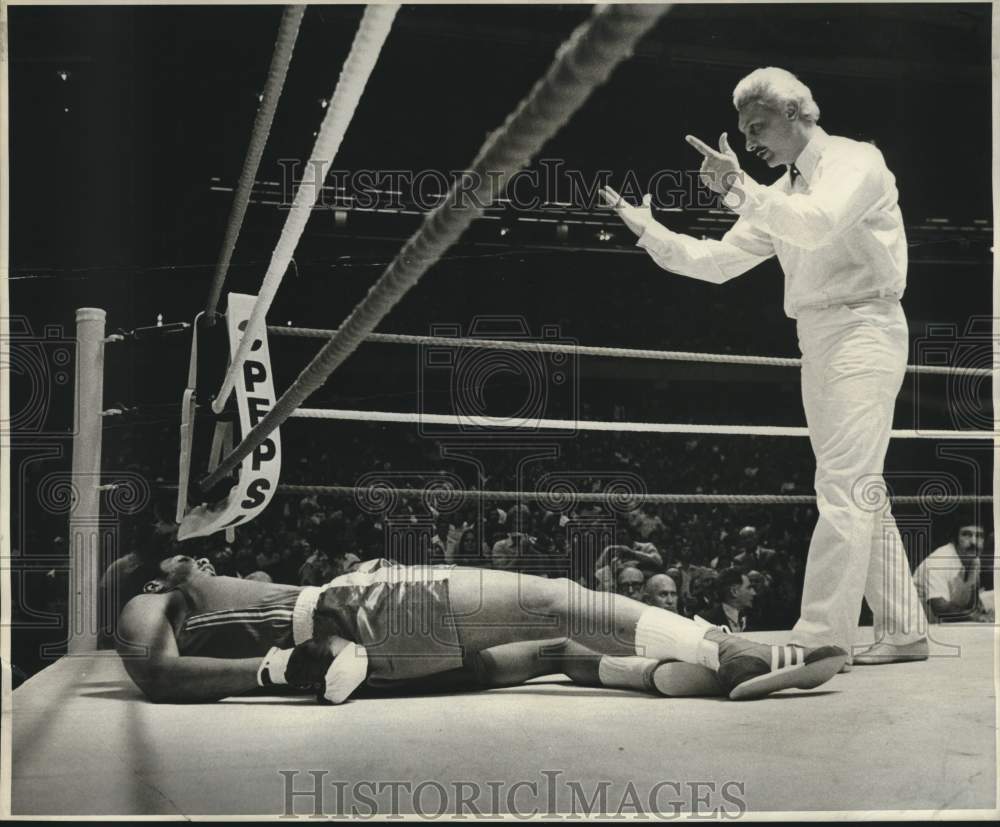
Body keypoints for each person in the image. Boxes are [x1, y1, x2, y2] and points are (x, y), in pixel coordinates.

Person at [602, 66, 927, 664]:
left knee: (843, 485)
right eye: (744, 130)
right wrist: (650, 231)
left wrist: (740, 189)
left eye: (758, 126)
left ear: (799, 113)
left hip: (864, 326)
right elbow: (717, 262)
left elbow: (820, 222)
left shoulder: (855, 162)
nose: (750, 141)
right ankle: (905, 628)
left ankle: (821, 637)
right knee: (856, 486)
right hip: (819, 335)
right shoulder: (779, 195)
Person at [114, 547, 847, 705]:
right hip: (356, 615)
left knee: (552, 649)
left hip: (373, 647)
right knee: (557, 597)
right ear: (155, 574)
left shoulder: (206, 589)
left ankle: (659, 672)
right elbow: (154, 670)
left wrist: (295, 663)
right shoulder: (155, 602)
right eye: (181, 555)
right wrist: (278, 669)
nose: (200, 555)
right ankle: (728, 649)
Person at [914, 518, 990, 623]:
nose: (973, 541)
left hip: (947, 624)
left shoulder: (974, 560)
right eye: (966, 534)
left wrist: (983, 613)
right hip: (920, 626)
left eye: (979, 536)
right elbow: (940, 608)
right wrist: (975, 616)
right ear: (955, 539)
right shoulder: (939, 561)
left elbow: (972, 602)